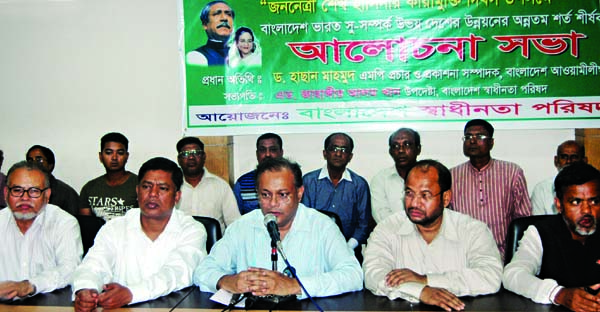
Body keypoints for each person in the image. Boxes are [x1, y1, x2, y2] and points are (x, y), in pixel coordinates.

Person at [194, 157, 363, 299]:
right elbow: (203, 270)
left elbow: (353, 276)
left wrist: (296, 285)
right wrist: (226, 281)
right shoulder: (242, 227)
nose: (273, 203)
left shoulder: (322, 226)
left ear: (299, 193)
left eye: (283, 195)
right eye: (265, 195)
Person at [364, 159, 502, 311]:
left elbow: (490, 276)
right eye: (409, 193)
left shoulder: (473, 230)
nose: (414, 203)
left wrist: (426, 280)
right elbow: (373, 274)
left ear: (446, 198)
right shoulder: (388, 228)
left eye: (425, 195)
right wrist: (419, 291)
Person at [72, 157, 207, 311]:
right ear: (137, 191)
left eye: (162, 188)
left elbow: (176, 273)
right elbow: (93, 265)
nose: (152, 194)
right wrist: (86, 290)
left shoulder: (192, 230)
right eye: (146, 186)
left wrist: (131, 294)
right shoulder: (115, 227)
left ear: (176, 196)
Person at [503, 162, 600, 312]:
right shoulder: (541, 232)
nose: (587, 210)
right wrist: (559, 294)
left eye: (594, 201)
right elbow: (513, 275)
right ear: (558, 204)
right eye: (576, 202)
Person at [1, 161, 82, 300]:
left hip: (47, 305)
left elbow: (70, 269)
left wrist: (29, 286)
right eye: (17, 190)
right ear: (6, 193)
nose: (25, 198)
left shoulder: (64, 223)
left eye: (34, 191)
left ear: (47, 195)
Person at [450, 119, 531, 258]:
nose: (473, 141)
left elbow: (523, 219)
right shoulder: (452, 175)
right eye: (468, 137)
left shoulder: (512, 172)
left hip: (503, 254)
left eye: (480, 137)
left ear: (491, 142)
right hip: (463, 255)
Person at [301, 133, 370, 257]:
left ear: (350, 156)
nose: (338, 154)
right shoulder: (308, 181)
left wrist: (347, 248)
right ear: (325, 153)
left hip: (350, 251)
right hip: (314, 250)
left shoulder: (359, 184)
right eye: (334, 149)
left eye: (343, 150)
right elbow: (304, 218)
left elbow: (363, 224)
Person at [176, 137, 240, 233]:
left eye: (196, 153)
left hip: (214, 247)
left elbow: (234, 224)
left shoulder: (221, 186)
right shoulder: (172, 187)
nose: (191, 157)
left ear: (204, 156)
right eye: (185, 154)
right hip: (180, 245)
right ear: (179, 160)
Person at [79, 132, 138, 221]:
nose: (114, 157)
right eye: (109, 152)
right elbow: (86, 227)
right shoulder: (89, 188)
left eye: (120, 153)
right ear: (100, 156)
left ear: (127, 156)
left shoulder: (140, 185)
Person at [370, 128, 421, 223]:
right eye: (396, 146)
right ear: (390, 152)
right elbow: (381, 215)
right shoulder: (380, 179)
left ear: (418, 149)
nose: (401, 150)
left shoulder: (430, 177)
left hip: (426, 234)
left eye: (407, 144)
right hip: (391, 235)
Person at [531, 140, 587, 215]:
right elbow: (538, 223)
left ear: (584, 161)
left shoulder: (593, 189)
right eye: (564, 157)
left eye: (574, 157)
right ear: (556, 161)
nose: (568, 161)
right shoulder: (541, 189)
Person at [233, 133, 283, 215]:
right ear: (257, 154)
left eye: (273, 150)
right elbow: (236, 218)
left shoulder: (291, 180)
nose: (267, 154)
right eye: (262, 150)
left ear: (281, 152)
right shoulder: (242, 184)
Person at [26, 145, 80, 215]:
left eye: (39, 160)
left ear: (50, 165)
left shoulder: (65, 193)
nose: (33, 164)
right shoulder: (22, 190)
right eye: (30, 160)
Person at [187, 1, 234, 66]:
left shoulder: (243, 54)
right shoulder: (196, 56)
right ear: (205, 24)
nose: (224, 18)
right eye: (216, 14)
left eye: (229, 14)